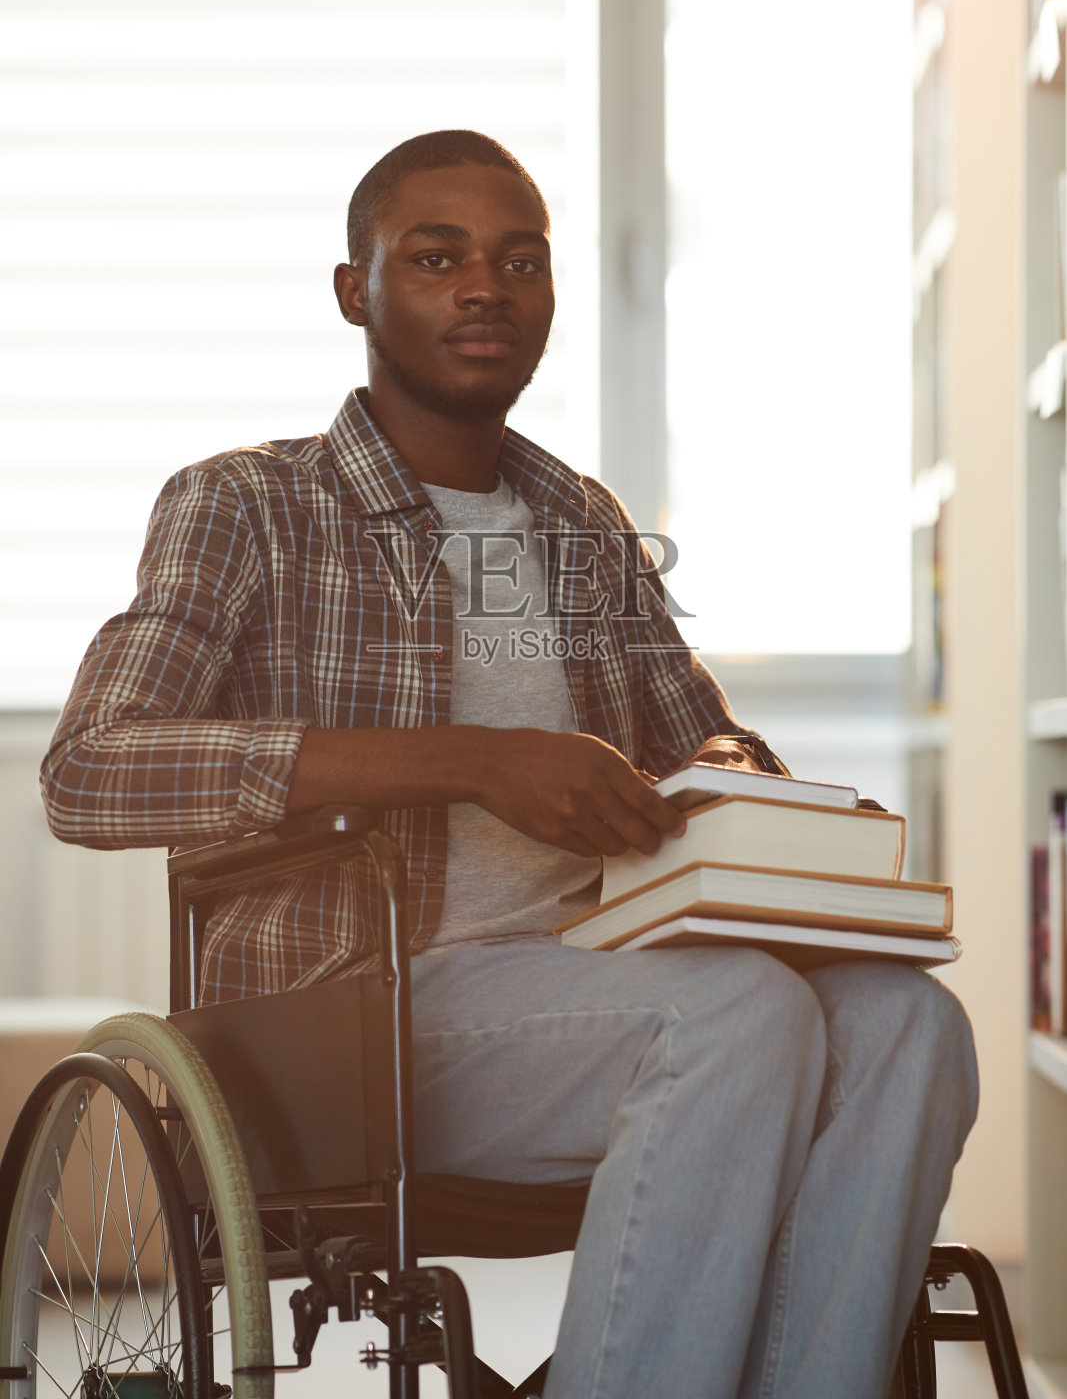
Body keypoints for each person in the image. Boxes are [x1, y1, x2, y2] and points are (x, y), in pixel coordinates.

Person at [42, 130, 978, 1399]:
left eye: (518, 260)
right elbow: (91, 768)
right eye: (437, 258)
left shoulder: (580, 523)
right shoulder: (248, 505)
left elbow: (702, 732)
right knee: (733, 1011)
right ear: (354, 291)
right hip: (346, 1020)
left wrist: (730, 772)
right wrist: (471, 761)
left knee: (909, 1023)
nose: (485, 286)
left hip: (601, 983)